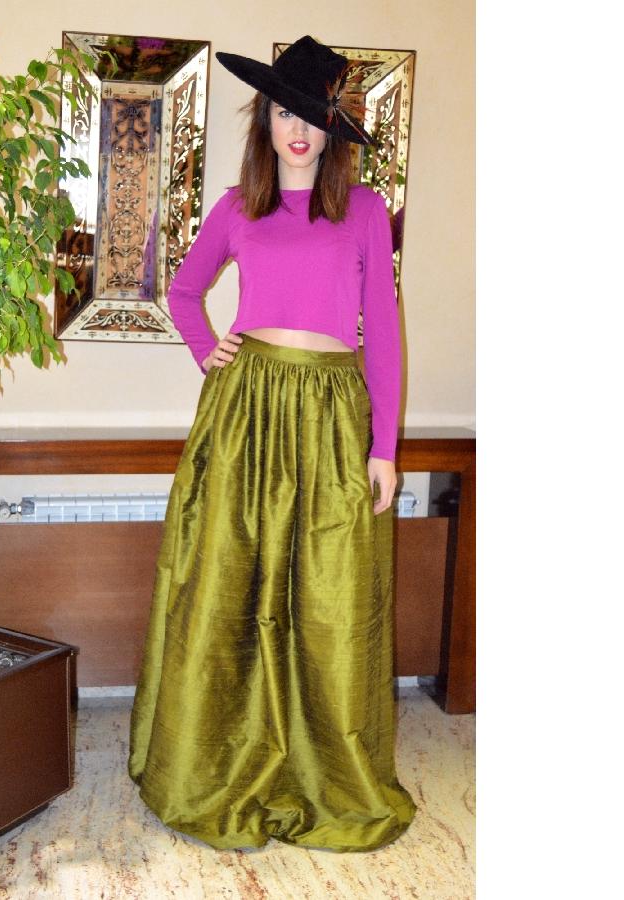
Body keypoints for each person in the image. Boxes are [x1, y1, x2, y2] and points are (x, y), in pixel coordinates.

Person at [127, 34, 417, 852]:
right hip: (247, 410)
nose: (297, 130)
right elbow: (185, 292)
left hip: (332, 413)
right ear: (265, 122)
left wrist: (384, 447)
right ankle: (221, 758)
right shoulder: (236, 208)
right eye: (284, 113)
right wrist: (206, 348)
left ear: (332, 129)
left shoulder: (366, 212)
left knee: (330, 594)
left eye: (311, 116)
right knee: (231, 581)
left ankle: (321, 770)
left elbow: (383, 333)